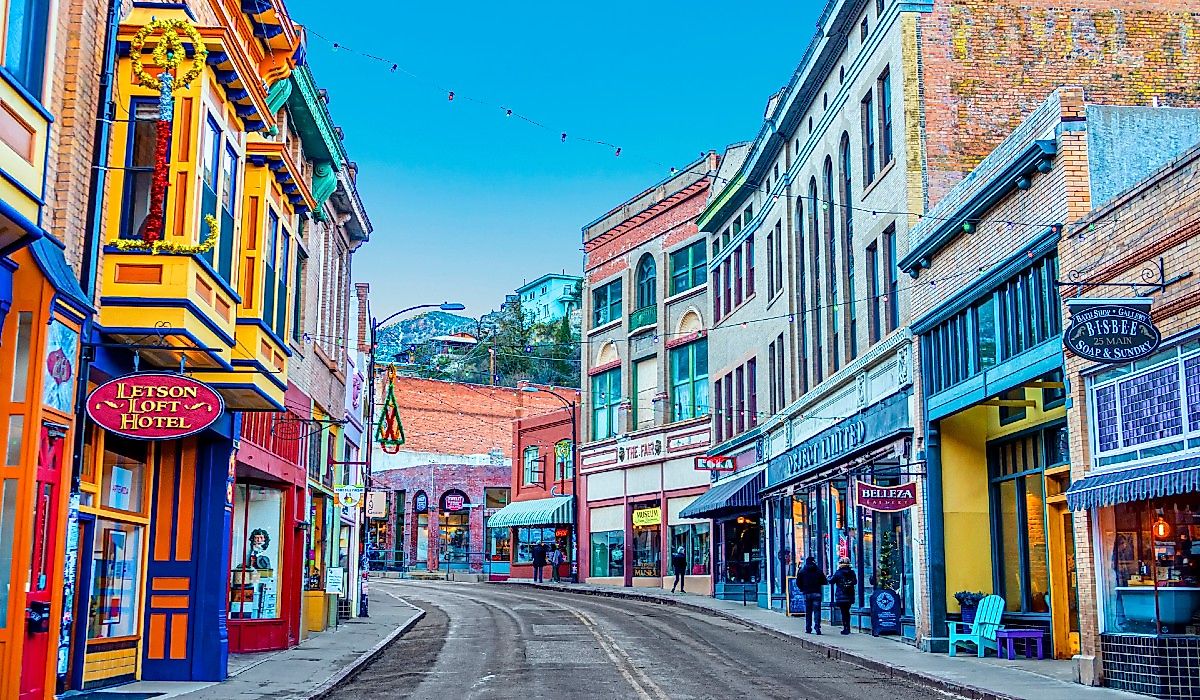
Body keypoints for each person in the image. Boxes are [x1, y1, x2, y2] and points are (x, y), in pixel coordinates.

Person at [796, 556, 828, 634]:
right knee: (817, 611)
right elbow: (824, 581)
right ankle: (817, 628)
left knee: (808, 612)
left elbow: (798, 582)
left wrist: (802, 588)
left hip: (807, 593)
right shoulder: (818, 571)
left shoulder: (802, 571)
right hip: (817, 592)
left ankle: (808, 628)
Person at [830, 556, 858, 635]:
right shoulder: (852, 572)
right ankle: (848, 628)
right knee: (847, 612)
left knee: (843, 612)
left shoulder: (838, 572)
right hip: (849, 595)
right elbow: (855, 582)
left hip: (841, 596)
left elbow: (831, 581)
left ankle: (845, 628)